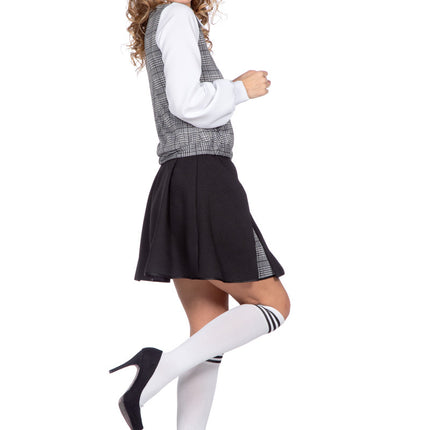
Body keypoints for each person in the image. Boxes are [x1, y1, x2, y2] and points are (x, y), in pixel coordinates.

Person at [109, 1, 291, 429]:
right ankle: (156, 368)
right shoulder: (177, 14)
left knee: (207, 330)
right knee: (274, 303)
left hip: (179, 177)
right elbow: (187, 102)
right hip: (203, 177)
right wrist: (240, 89)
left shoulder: (163, 17)